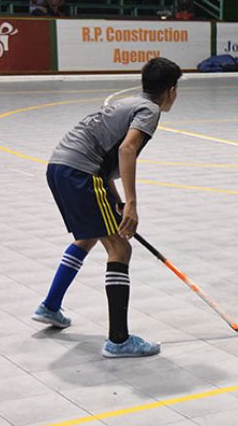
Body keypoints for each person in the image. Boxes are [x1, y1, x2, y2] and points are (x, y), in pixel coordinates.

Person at [33, 58, 182, 358]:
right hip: (79, 172)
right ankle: (118, 340)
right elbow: (127, 149)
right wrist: (132, 205)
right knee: (120, 249)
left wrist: (115, 199)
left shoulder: (129, 102)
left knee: (88, 236)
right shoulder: (149, 110)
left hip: (60, 167)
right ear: (170, 90)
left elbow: (104, 159)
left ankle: (50, 306)